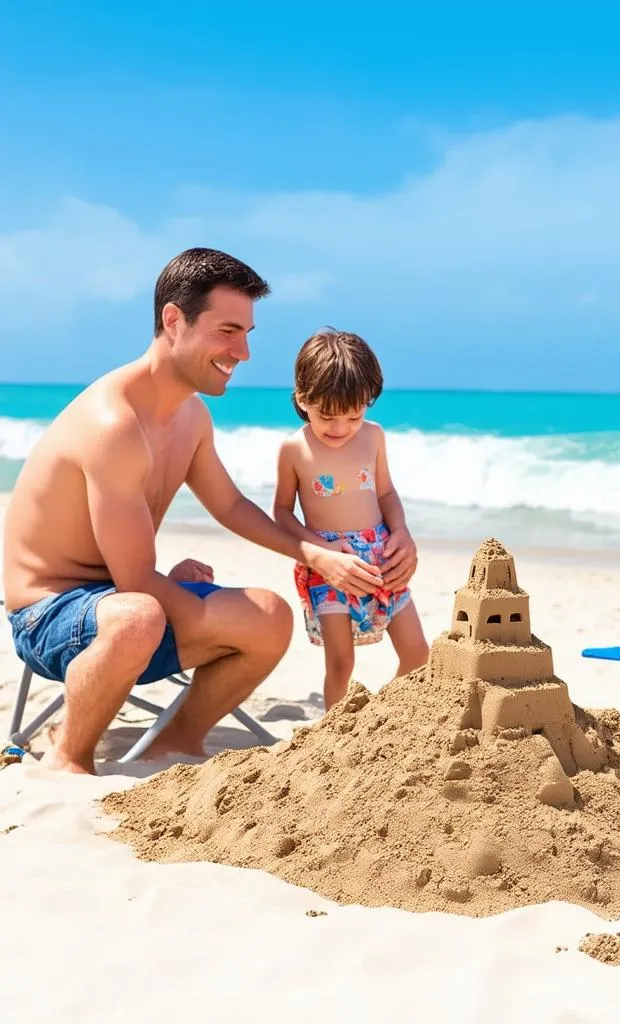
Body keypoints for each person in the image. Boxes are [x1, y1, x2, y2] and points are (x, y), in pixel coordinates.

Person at [2, 248, 414, 774]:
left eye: (247, 333)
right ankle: (68, 758)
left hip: (119, 600)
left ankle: (174, 743)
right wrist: (184, 603)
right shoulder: (114, 425)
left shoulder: (190, 416)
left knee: (269, 616)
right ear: (174, 321)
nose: (242, 351)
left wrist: (316, 553)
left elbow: (231, 505)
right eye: (227, 330)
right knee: (140, 617)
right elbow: (133, 581)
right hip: (49, 613)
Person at [273, 328, 429, 709]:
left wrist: (402, 531)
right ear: (302, 398)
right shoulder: (294, 449)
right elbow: (280, 512)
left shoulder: (374, 437)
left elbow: (386, 493)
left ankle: (381, 718)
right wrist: (321, 549)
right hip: (329, 564)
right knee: (341, 662)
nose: (340, 428)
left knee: (418, 653)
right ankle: (336, 734)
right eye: (327, 416)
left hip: (381, 558)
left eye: (353, 416)